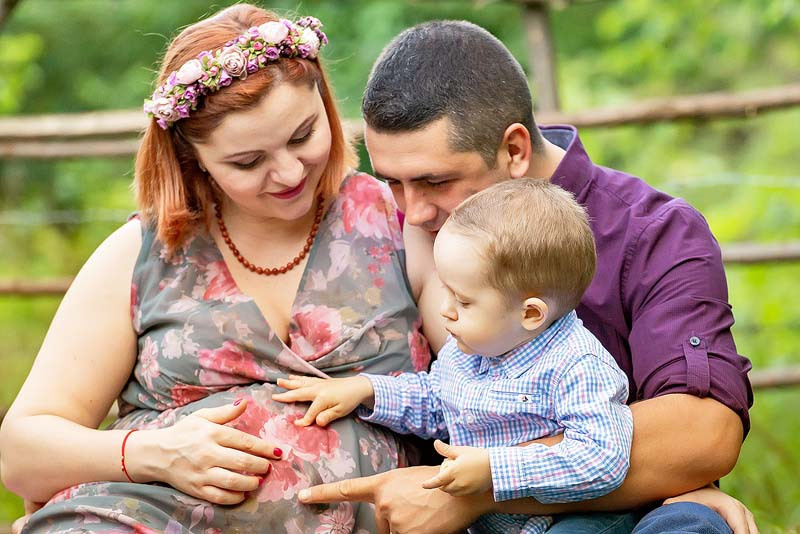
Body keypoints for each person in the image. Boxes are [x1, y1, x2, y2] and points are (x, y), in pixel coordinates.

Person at [297, 20, 758, 534]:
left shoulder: (651, 232)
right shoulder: (397, 227)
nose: (415, 210)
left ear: (514, 149)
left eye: (435, 181)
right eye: (395, 184)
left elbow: (701, 433)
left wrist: (474, 490)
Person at [0, 5, 435, 533]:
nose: (290, 172)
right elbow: (20, 452)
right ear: (193, 156)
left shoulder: (399, 222)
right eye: (248, 162)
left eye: (303, 135)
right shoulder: (143, 253)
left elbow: (489, 384)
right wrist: (154, 454)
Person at [275, 179, 634, 534]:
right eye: (444, 289)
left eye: (462, 300)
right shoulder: (469, 350)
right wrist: (366, 390)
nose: (444, 310)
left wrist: (496, 469)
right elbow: (437, 401)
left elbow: (602, 459)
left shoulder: (577, 365)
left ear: (530, 315)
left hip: (569, 518)